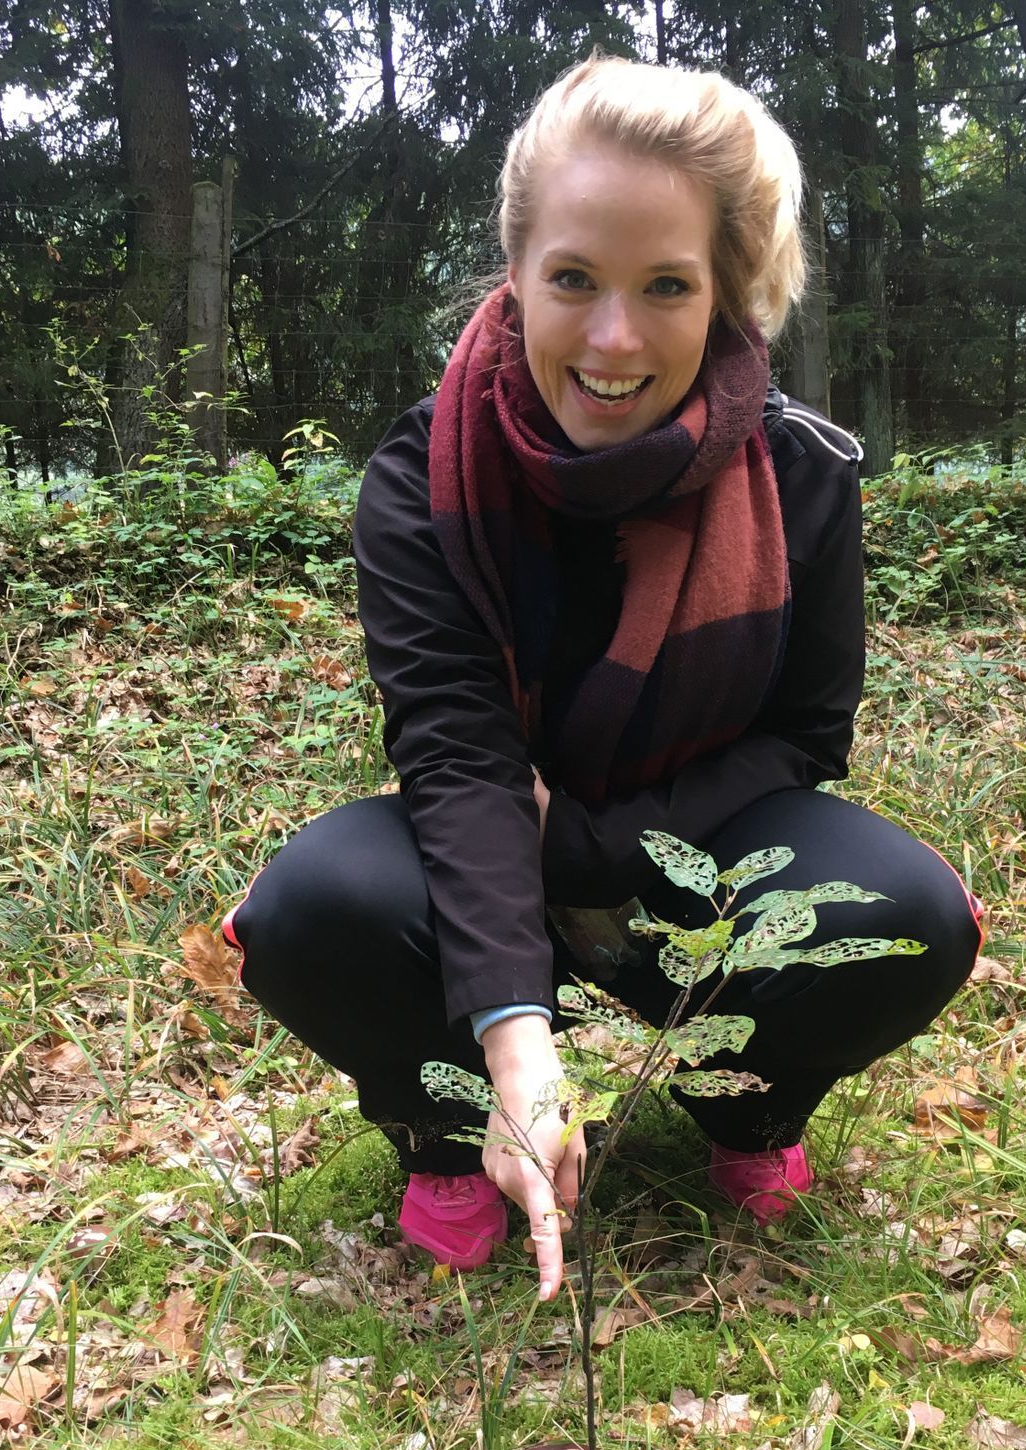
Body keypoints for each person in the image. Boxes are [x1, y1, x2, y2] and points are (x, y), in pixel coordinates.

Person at [223, 53, 983, 1303]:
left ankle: (742, 1104)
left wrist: (583, 850)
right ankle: (451, 1122)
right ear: (516, 270)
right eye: (574, 278)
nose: (614, 337)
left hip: (698, 849)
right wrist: (519, 1054)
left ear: (729, 296)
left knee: (908, 911)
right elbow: (457, 757)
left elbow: (801, 742)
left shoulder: (802, 478)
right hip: (474, 858)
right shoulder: (424, 475)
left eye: (666, 286)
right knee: (312, 908)